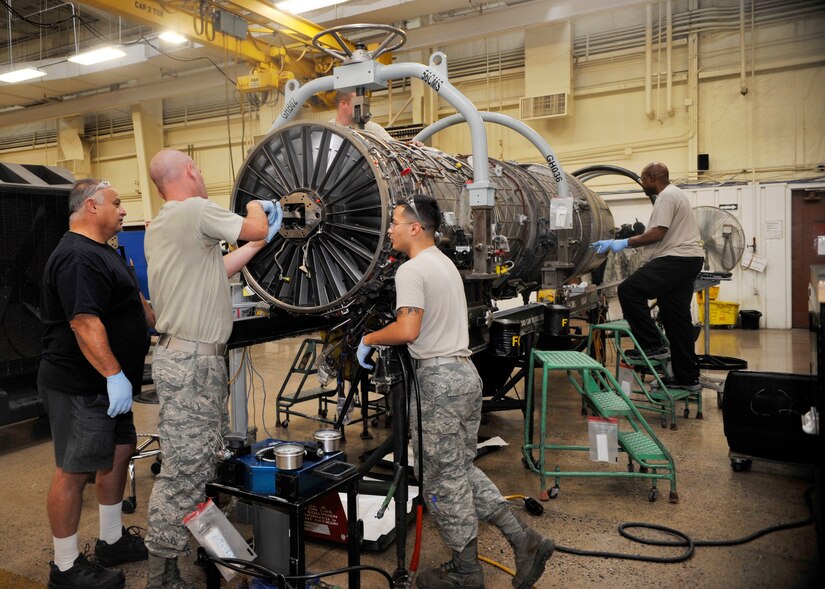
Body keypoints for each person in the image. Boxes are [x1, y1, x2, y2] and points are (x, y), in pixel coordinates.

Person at [357, 195, 554, 589]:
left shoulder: (411, 270)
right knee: (460, 470)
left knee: (441, 481)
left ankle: (466, 572)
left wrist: (369, 338)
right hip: (464, 376)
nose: (389, 229)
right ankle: (524, 540)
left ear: (415, 228)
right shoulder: (444, 263)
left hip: (438, 384)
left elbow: (408, 331)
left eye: (395, 221)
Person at [142, 149, 280, 588]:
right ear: (189, 172)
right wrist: (259, 206)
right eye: (199, 169)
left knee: (198, 463)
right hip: (191, 365)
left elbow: (215, 269)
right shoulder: (195, 210)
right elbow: (254, 221)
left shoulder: (165, 222)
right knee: (183, 472)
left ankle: (182, 557)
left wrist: (256, 246)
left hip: (188, 361)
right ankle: (160, 576)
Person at [40, 178, 155, 589]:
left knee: (120, 451)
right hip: (81, 383)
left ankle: (110, 540)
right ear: (91, 207)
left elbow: (134, 305)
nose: (124, 210)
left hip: (109, 384)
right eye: (117, 203)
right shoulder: (76, 257)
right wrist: (113, 375)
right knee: (73, 471)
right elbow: (83, 322)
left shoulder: (102, 252)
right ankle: (66, 567)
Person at [592, 162, 705, 390]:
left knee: (629, 290)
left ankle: (652, 345)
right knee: (676, 318)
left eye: (643, 180)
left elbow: (657, 233)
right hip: (689, 258)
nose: (642, 184)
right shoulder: (676, 195)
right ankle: (687, 377)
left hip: (675, 258)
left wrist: (622, 242)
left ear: (652, 177)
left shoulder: (666, 196)